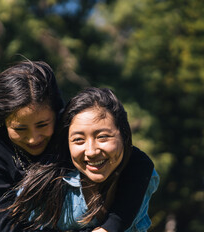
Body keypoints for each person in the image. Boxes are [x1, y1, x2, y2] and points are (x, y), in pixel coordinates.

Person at [0, 61, 154, 232]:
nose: (34, 138)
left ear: (58, 113)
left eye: (42, 125)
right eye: (20, 129)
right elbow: (8, 227)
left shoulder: (68, 132)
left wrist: (109, 228)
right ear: (4, 123)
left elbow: (139, 162)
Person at [8, 87, 159, 231]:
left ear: (124, 136)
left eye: (103, 137)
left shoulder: (143, 176)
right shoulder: (46, 188)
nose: (91, 151)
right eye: (79, 140)